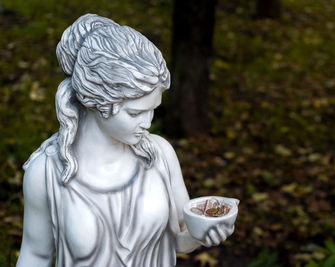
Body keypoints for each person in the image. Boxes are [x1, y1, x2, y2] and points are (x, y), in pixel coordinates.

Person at [16, 14, 234, 267]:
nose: (148, 123)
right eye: (136, 112)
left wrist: (199, 235)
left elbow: (178, 240)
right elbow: (36, 255)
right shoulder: (46, 172)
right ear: (96, 102)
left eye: (153, 110)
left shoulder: (160, 155)